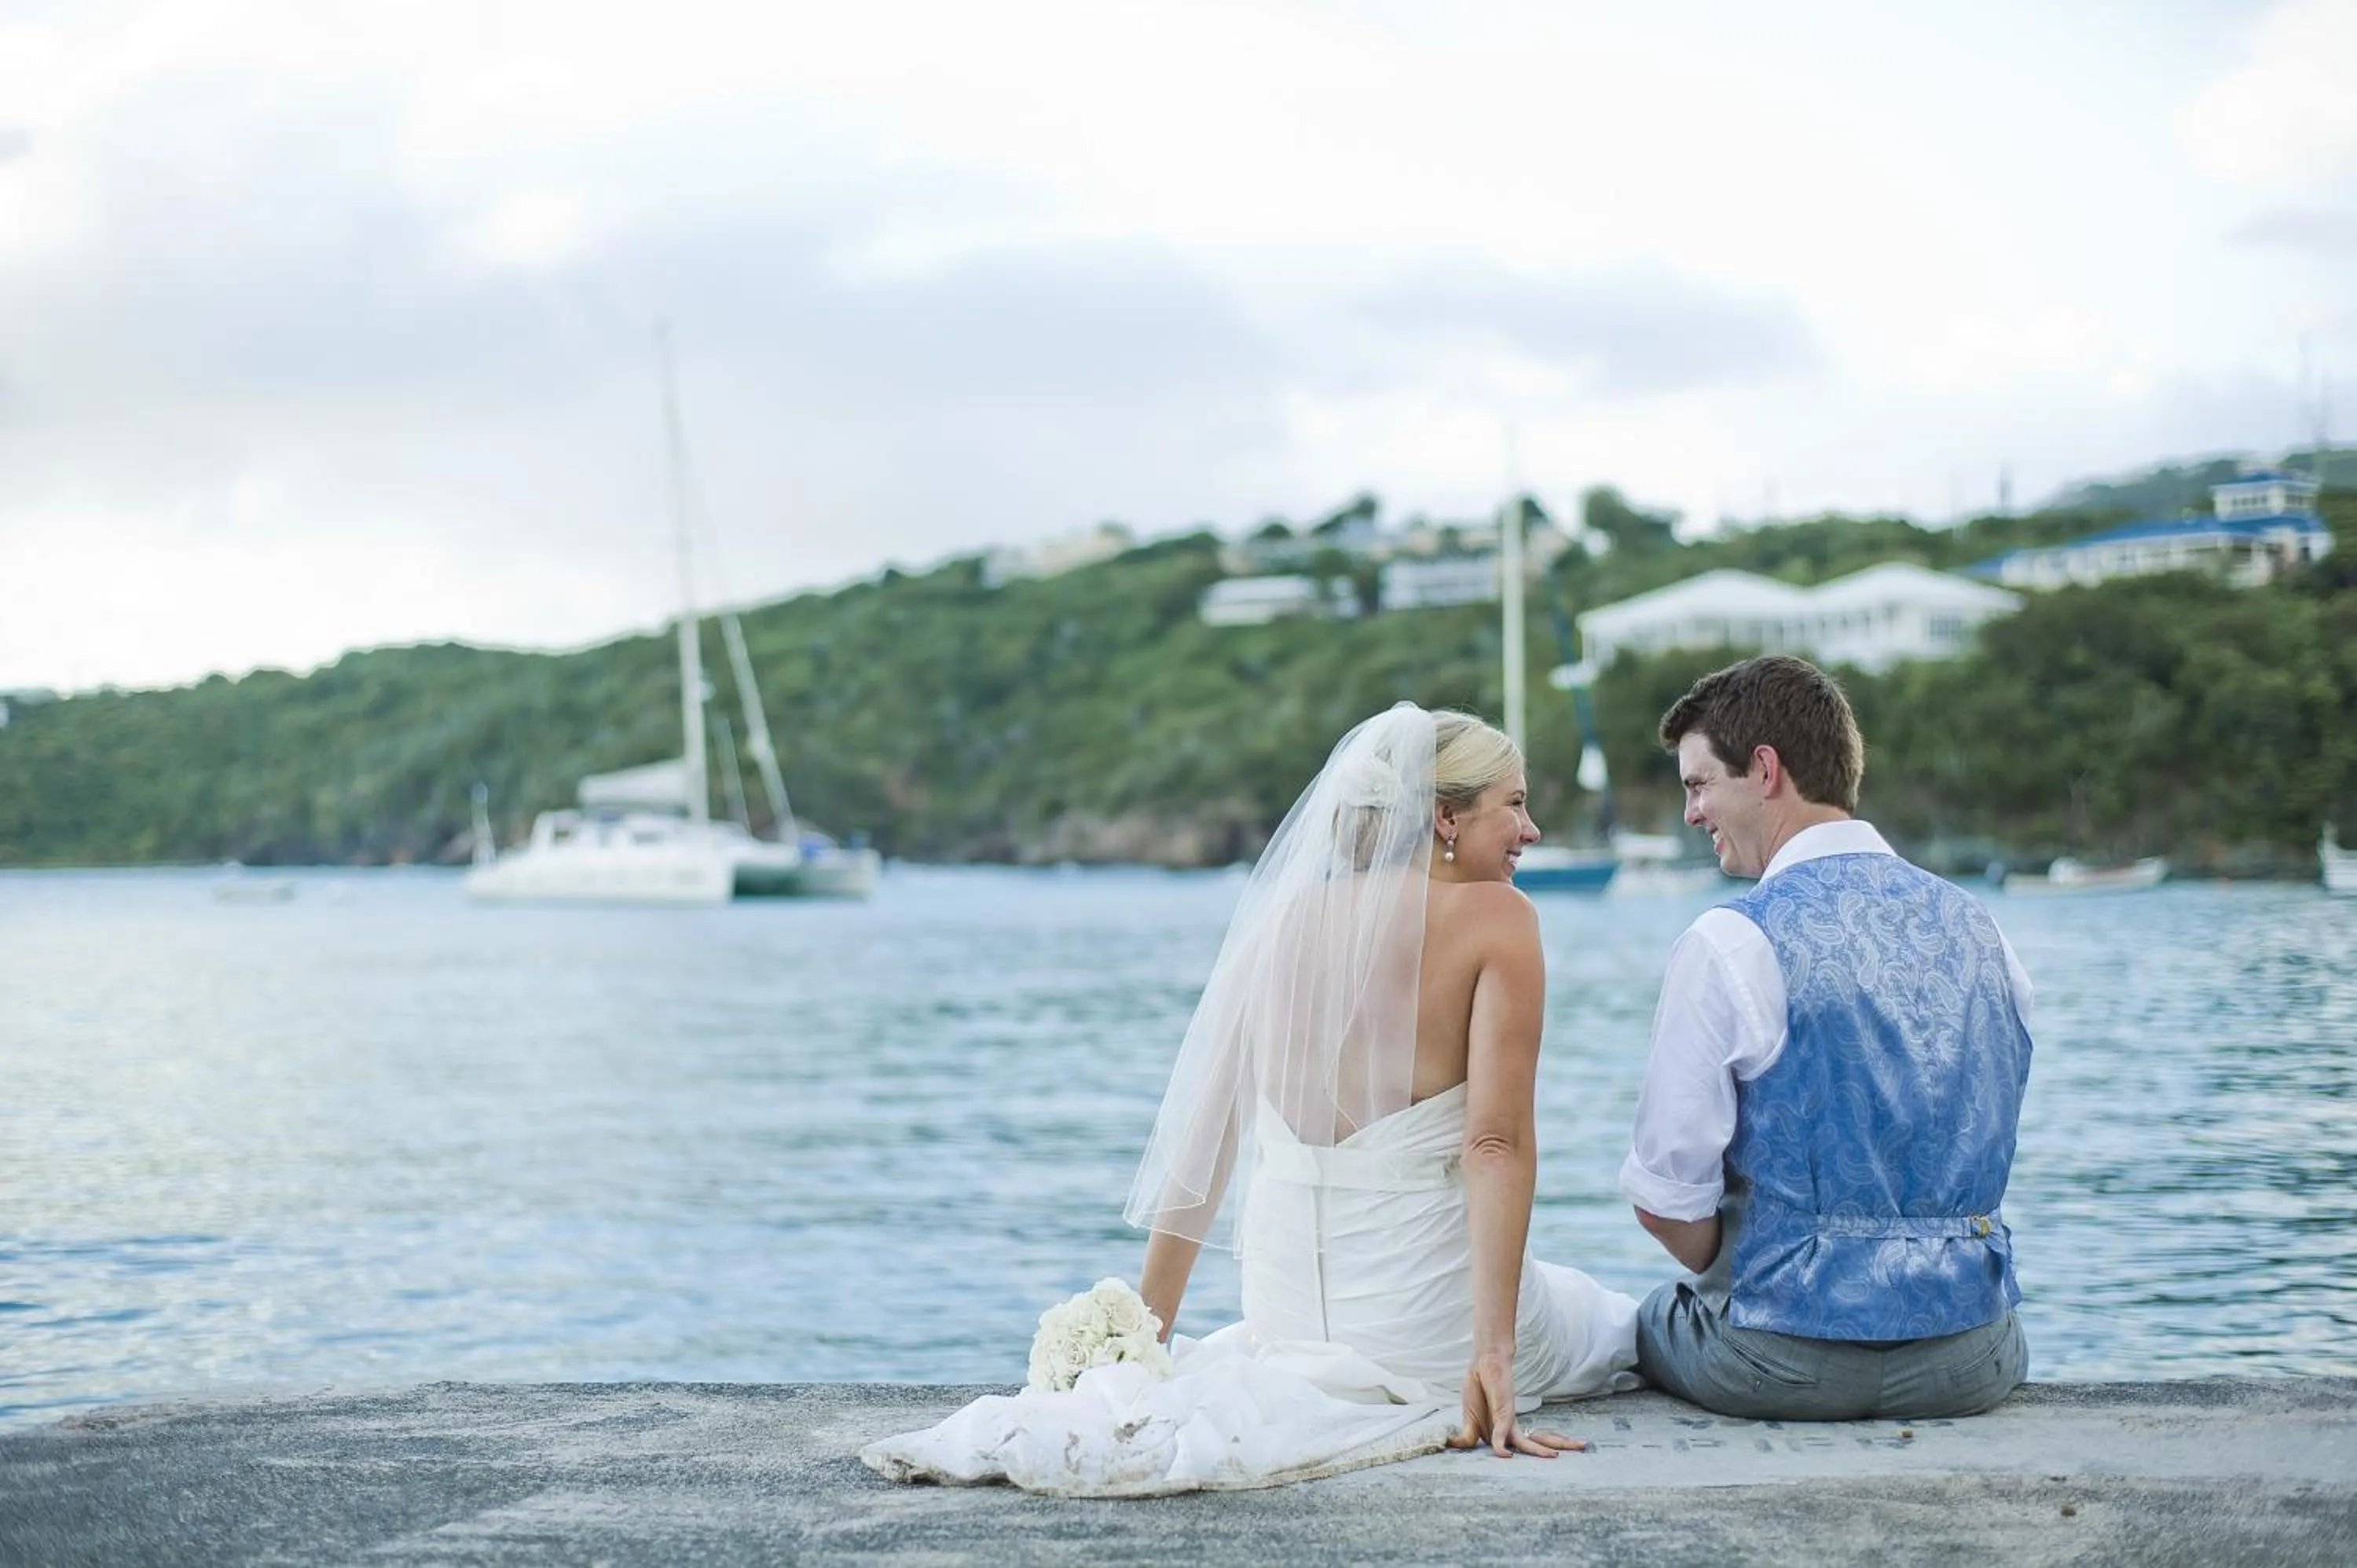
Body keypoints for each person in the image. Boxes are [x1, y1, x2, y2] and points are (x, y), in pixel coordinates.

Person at [865, 703, 1638, 1496]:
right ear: (1445, 816)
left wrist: (1149, 1337)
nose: (1533, 828)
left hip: (1285, 1312)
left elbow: (1205, 1133)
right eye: (1514, 802)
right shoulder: (1499, 917)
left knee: (1571, 1310)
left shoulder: (1282, 918)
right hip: (1422, 1318)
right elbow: (1493, 1145)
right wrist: (1492, 1357)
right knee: (1616, 1326)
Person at [1622, 655, 2034, 1420]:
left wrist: (1774, 1277)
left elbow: (1666, 1202)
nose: (1691, 813)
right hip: (1972, 1357)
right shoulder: (1985, 931)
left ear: (1767, 770)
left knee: (1635, 1322)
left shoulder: (1730, 941)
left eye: (1699, 783)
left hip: (1779, 1362)